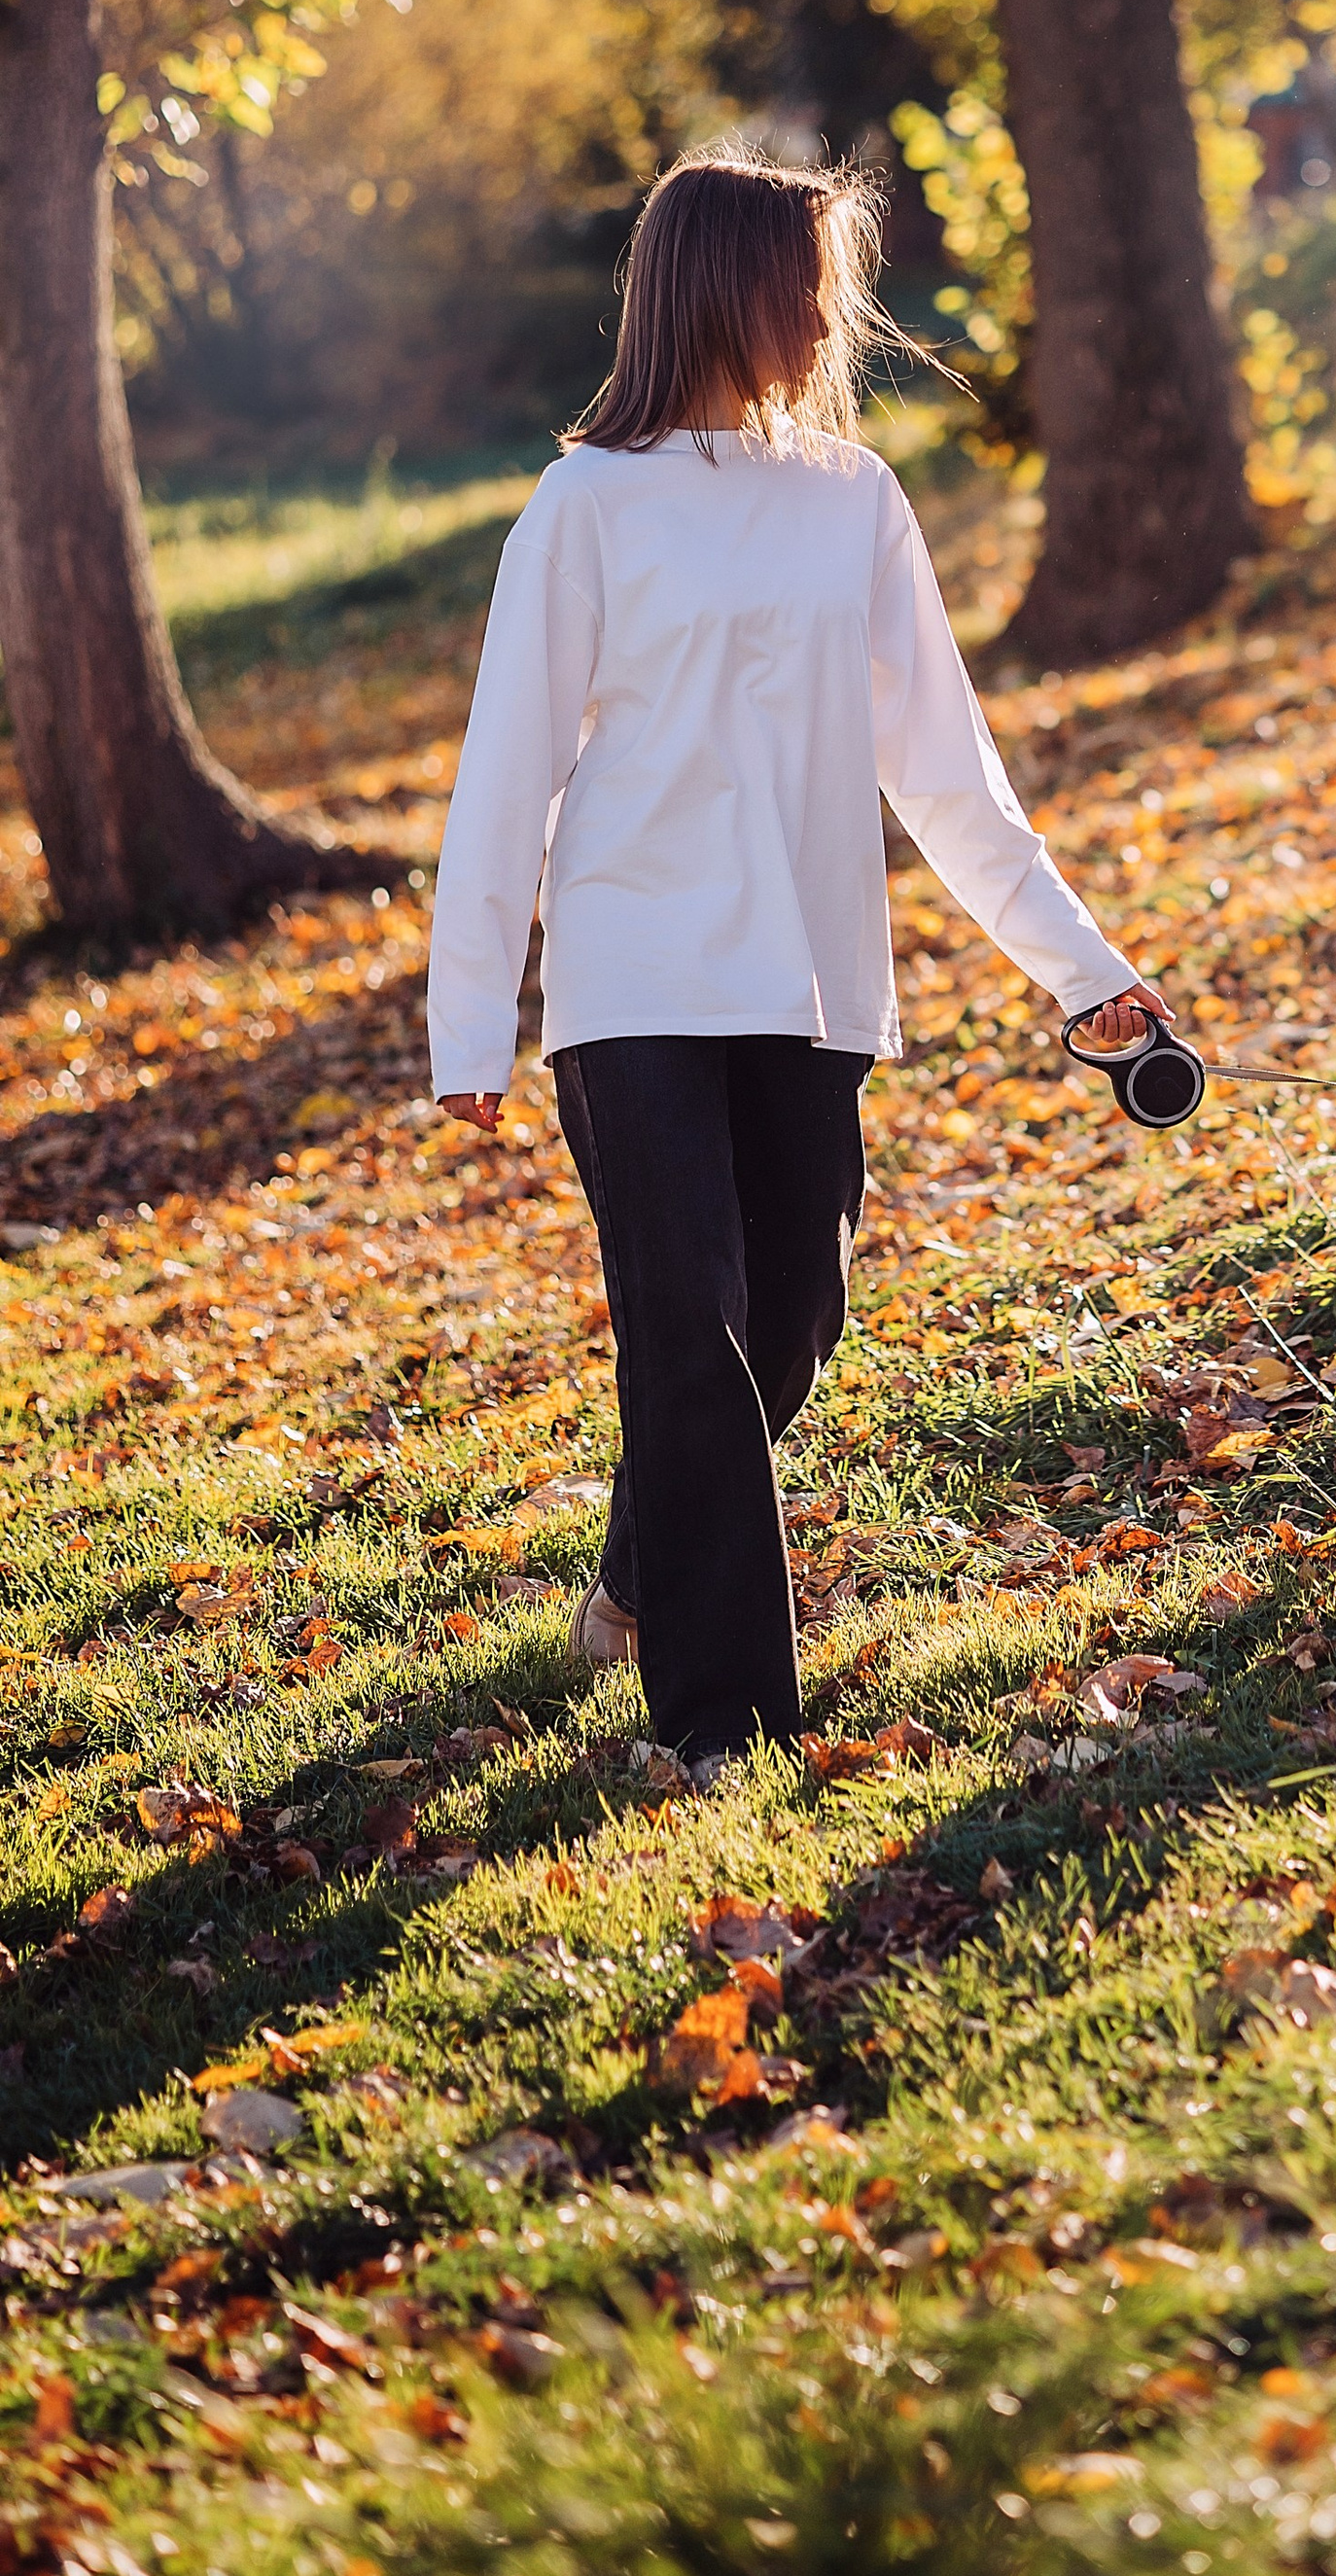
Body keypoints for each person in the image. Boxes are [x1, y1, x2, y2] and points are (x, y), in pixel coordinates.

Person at [425, 143, 1172, 1782]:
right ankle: (727, 1731)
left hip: (810, 983)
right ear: (721, 291)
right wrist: (470, 1021)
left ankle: (642, 1567)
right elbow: (506, 774)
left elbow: (951, 778)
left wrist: (1087, 974)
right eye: (807, 289)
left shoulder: (854, 503)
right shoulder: (585, 508)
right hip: (633, 981)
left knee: (795, 1316)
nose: (833, 323)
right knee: (685, 1326)